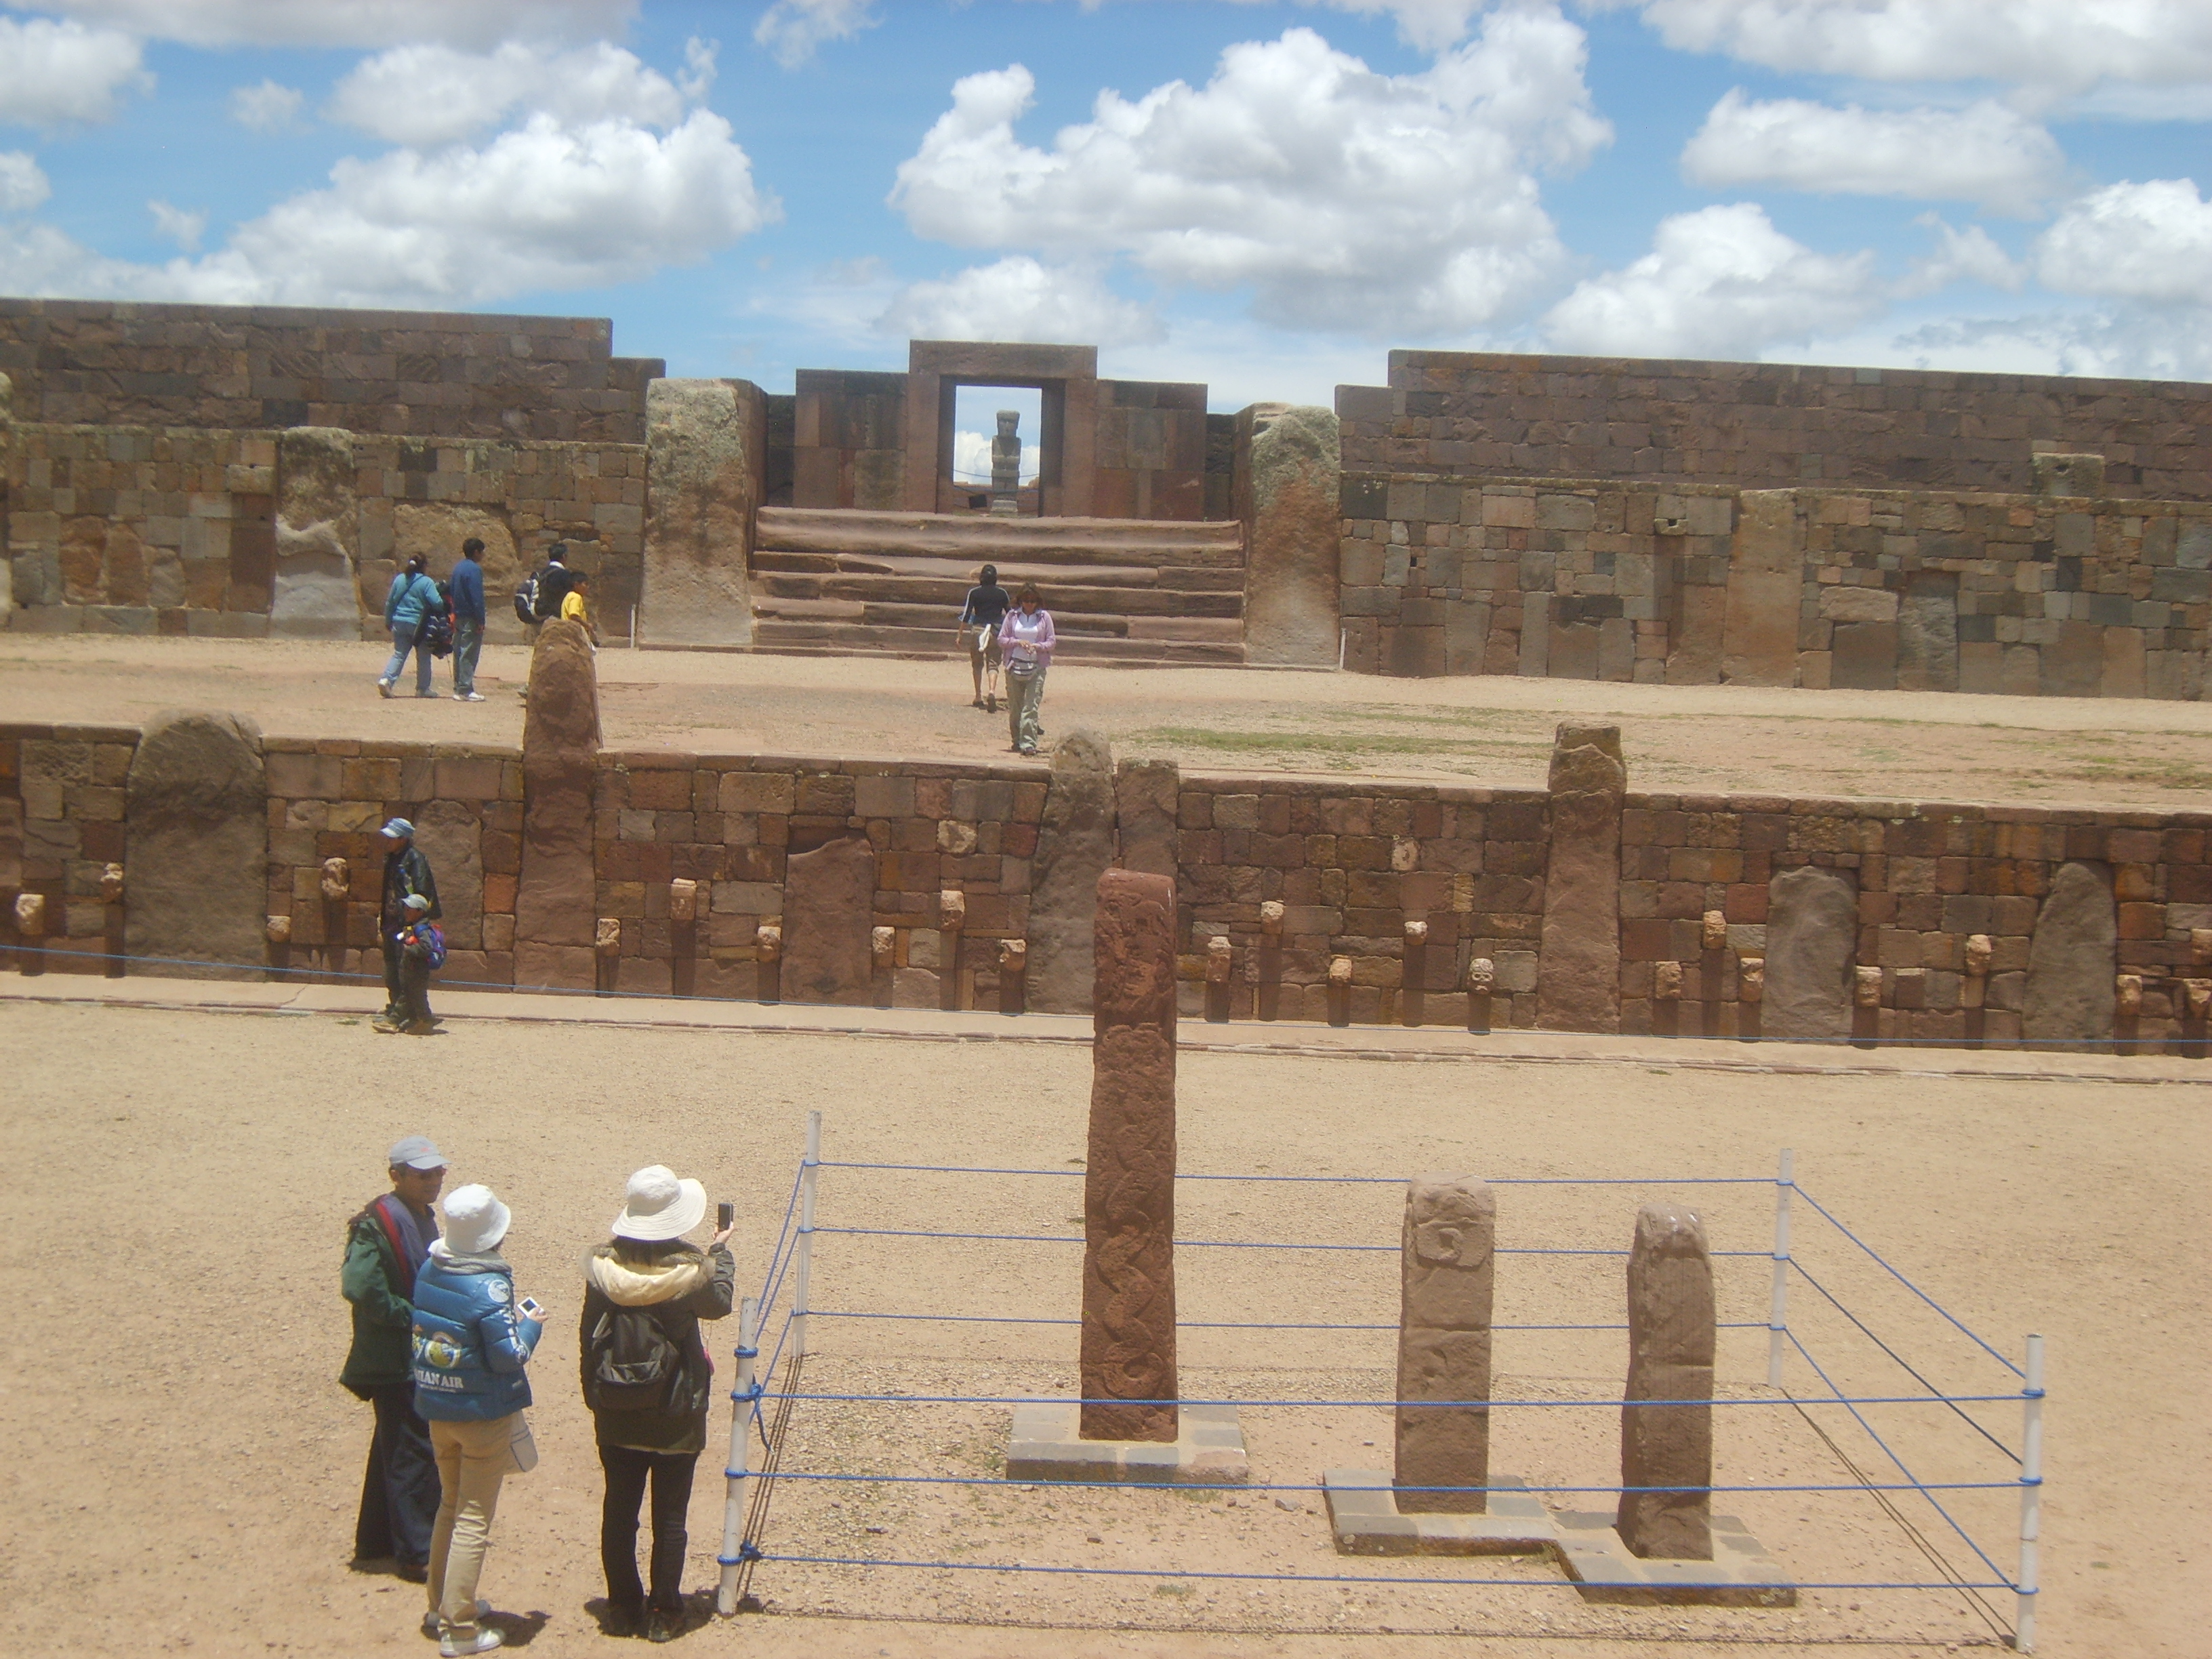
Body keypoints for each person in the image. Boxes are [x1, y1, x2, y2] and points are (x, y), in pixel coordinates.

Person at [579, 1167, 735, 1641]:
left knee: (619, 1512)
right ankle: (664, 1611)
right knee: (669, 1518)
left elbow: (588, 1339)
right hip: (675, 1413)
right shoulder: (691, 1273)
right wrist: (721, 1253)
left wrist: (597, 1401)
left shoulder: (602, 1270)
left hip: (617, 1410)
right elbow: (720, 1303)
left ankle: (623, 1608)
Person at [413, 1183, 543, 1658]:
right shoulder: (489, 1285)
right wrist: (532, 1325)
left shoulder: (430, 1267)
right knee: (473, 1518)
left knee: (450, 1506)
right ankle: (460, 1628)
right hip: (481, 1414)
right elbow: (510, 1355)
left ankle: (440, 1605)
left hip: (438, 1405)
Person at [343, 1135, 449, 1586]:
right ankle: (417, 1554)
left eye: (438, 1173)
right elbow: (360, 1286)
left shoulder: (420, 1215)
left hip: (408, 1353)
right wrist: (410, 1317)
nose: (433, 1181)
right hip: (395, 1358)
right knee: (414, 1450)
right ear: (396, 1175)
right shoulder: (375, 1223)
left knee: (395, 1443)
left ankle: (376, 1542)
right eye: (423, 1175)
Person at [375, 819, 441, 1035]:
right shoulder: (393, 858)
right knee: (391, 969)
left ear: (403, 839)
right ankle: (397, 1008)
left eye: (392, 838)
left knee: (407, 972)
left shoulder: (415, 859)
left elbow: (421, 893)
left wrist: (411, 922)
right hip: (391, 923)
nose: (387, 841)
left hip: (405, 923)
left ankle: (404, 1016)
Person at [998, 584, 1055, 756]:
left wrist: (1037, 646)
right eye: (1026, 601)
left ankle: (1028, 743)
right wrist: (1017, 642)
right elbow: (1002, 639)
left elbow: (1051, 641)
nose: (1029, 604)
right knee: (1016, 707)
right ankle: (1017, 740)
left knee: (1031, 707)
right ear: (1020, 601)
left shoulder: (1044, 618)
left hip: (1036, 667)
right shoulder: (1012, 616)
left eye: (1032, 601)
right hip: (1014, 666)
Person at [380, 556, 443, 699]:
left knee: (399, 654)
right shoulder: (426, 582)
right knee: (423, 657)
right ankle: (423, 689)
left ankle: (386, 680)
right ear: (424, 566)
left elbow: (390, 602)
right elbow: (437, 602)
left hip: (399, 622)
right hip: (419, 624)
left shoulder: (400, 579)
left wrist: (388, 620)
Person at [957, 563, 1010, 712]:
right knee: (993, 664)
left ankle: (978, 696)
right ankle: (992, 691)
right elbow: (1010, 614)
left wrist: (960, 633)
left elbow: (967, 614)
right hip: (995, 630)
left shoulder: (974, 593)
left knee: (977, 664)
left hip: (978, 630)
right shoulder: (1002, 593)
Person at [394, 892, 445, 1035]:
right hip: (411, 969)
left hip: (417, 970)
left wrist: (408, 948)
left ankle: (425, 1021)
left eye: (409, 909)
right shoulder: (414, 926)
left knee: (418, 996)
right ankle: (415, 1020)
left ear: (419, 912)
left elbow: (426, 948)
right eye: (405, 909)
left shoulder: (421, 929)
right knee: (411, 996)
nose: (406, 912)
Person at [450, 538, 487, 703]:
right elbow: (476, 597)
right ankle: (465, 688)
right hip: (471, 616)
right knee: (469, 653)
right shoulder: (474, 569)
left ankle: (458, 686)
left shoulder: (458, 568)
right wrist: (481, 619)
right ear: (476, 552)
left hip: (459, 614)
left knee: (459, 651)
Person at [560, 571, 598, 649]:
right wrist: (587, 625)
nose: (588, 587)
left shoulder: (569, 596)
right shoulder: (576, 597)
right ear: (576, 585)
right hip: (574, 634)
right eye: (585, 584)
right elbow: (573, 615)